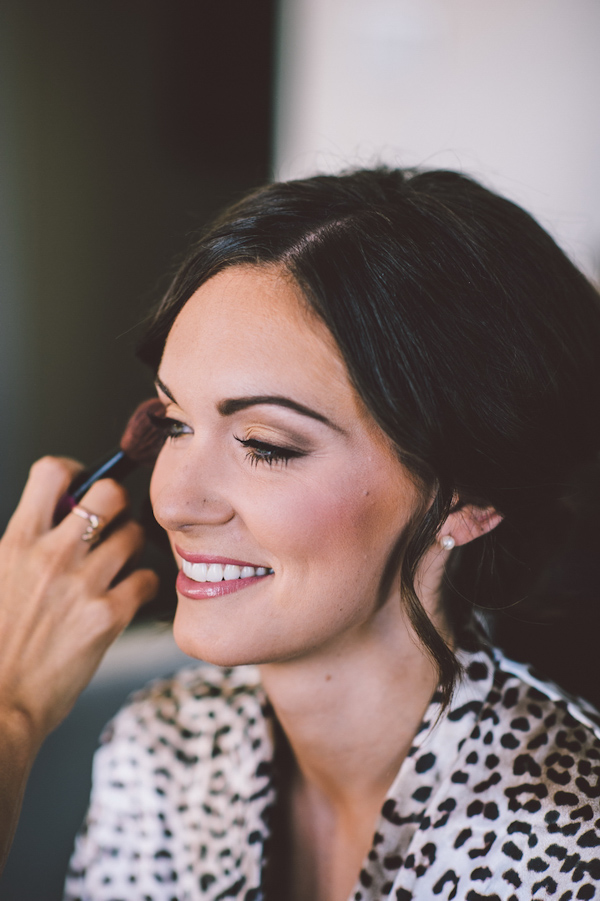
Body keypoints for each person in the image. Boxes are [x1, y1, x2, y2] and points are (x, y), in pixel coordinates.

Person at [2, 167, 600, 900]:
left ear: (468, 499)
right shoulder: (163, 747)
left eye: (265, 444)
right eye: (176, 423)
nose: (173, 500)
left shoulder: (573, 845)